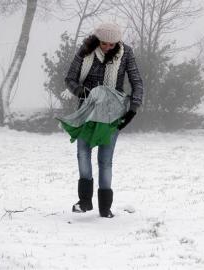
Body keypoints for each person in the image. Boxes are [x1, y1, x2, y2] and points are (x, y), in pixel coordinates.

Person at [59, 22, 143, 218]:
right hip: (87, 111)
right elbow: (70, 78)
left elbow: (137, 82)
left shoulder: (126, 53)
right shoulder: (86, 50)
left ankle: (105, 208)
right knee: (82, 153)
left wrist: (133, 109)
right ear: (98, 40)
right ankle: (85, 201)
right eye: (104, 43)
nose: (107, 47)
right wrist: (82, 92)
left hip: (112, 112)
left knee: (105, 161)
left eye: (111, 44)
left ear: (117, 42)